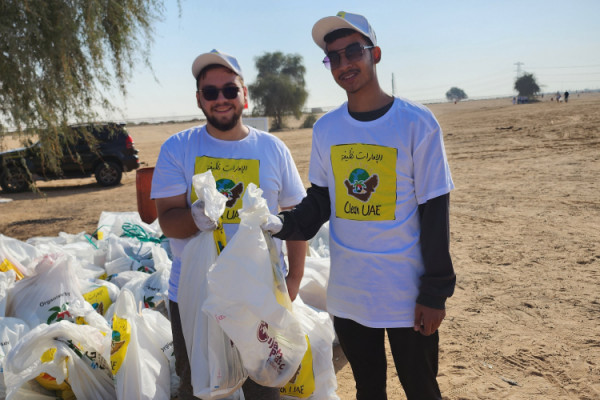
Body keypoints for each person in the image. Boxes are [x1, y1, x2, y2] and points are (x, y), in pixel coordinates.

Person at [262, 11, 456, 400]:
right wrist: (282, 224)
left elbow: (435, 211)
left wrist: (434, 293)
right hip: (350, 294)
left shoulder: (417, 123)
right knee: (368, 389)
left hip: (406, 293)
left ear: (375, 54)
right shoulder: (327, 128)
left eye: (353, 51)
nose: (344, 63)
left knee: (421, 388)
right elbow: (321, 200)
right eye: (333, 57)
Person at [151, 49, 307, 400]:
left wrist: (293, 281)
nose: (221, 99)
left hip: (260, 296)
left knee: (264, 387)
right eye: (210, 92)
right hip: (195, 297)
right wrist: (193, 218)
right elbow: (167, 221)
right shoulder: (177, 148)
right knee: (202, 388)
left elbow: (296, 220)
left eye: (230, 90)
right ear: (199, 99)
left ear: (245, 96)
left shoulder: (273, 149)